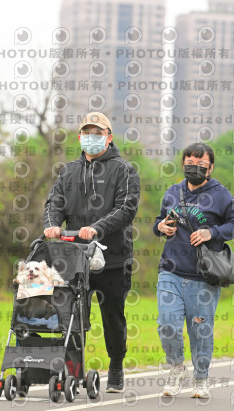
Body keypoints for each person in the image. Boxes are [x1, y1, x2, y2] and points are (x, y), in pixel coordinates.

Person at [43, 112, 140, 392]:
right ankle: (74, 371)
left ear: (109, 138)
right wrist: (51, 225)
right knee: (72, 316)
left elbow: (126, 208)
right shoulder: (69, 171)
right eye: (87, 132)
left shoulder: (124, 170)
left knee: (112, 317)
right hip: (74, 257)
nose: (92, 137)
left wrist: (97, 228)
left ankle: (116, 367)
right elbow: (54, 202)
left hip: (113, 259)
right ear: (79, 137)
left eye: (98, 133)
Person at [153, 142, 234, 398]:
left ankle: (201, 379)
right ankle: (176, 369)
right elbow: (159, 221)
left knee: (200, 331)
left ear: (210, 168)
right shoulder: (173, 192)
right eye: (189, 164)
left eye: (200, 164)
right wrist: (160, 227)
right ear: (183, 165)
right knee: (167, 325)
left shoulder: (220, 195)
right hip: (170, 270)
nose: (194, 168)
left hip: (202, 276)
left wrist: (211, 232)